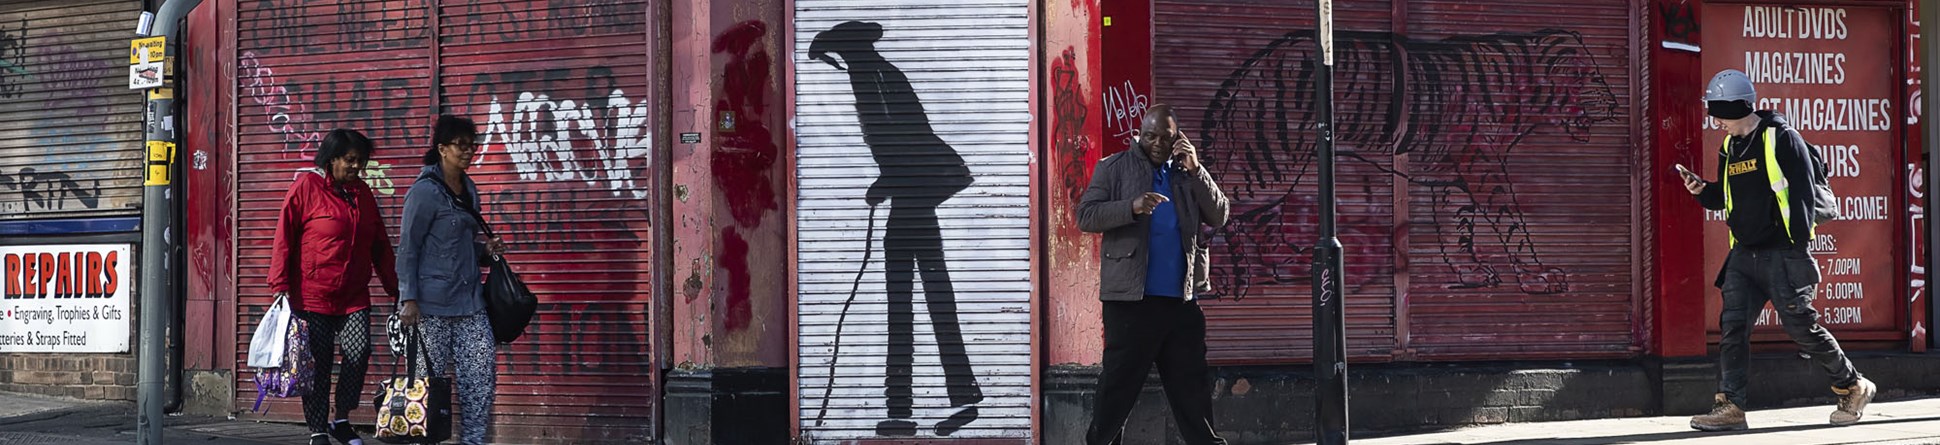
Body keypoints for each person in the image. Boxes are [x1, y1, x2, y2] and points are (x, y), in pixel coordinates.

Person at [1680, 69, 1877, 431]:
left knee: (1801, 326)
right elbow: (1725, 197)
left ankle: (1852, 385)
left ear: (1734, 107)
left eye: (1718, 113)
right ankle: (1730, 406)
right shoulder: (1730, 147)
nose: (1716, 122)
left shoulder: (1781, 137)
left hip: (1782, 253)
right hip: (1743, 254)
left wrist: (1798, 249)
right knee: (1732, 328)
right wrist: (1701, 191)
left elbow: (1802, 194)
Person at [1077, 104, 1230, 445]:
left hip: (1181, 301)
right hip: (1132, 302)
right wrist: (1130, 207)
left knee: (1192, 389)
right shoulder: (1114, 168)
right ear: (1140, 135)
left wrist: (1196, 169)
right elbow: (1086, 215)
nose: (1157, 143)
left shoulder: (1185, 173)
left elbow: (1219, 214)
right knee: (1118, 388)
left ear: (1179, 139)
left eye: (1166, 137)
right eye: (1150, 136)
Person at [267, 128, 399, 445]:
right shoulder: (307, 187)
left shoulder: (363, 194)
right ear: (332, 158)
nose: (356, 167)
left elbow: (379, 244)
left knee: (358, 352)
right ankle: (317, 430)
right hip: (313, 296)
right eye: (350, 160)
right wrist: (279, 282)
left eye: (361, 161)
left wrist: (396, 288)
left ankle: (341, 419)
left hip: (353, 296)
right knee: (319, 365)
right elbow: (284, 236)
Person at [396, 115, 506, 445]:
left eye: (473, 145)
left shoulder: (469, 189)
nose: (469, 151)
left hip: (470, 302)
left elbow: (459, 246)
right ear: (442, 149)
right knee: (426, 386)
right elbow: (408, 249)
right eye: (461, 145)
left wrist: (484, 250)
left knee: (479, 380)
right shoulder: (424, 193)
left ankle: (474, 441)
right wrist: (409, 298)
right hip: (429, 306)